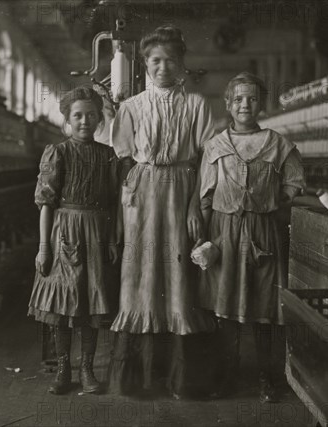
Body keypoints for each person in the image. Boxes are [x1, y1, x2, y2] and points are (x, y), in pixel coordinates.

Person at [108, 25, 216, 398]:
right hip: (141, 192)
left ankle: (183, 380)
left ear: (182, 64)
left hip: (183, 188)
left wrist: (193, 206)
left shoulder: (198, 105)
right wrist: (126, 209)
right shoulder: (131, 107)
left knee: (180, 272)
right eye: (156, 60)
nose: (163, 67)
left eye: (171, 60)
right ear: (145, 64)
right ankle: (137, 378)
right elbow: (123, 161)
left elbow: (204, 160)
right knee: (140, 271)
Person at [197, 72, 305, 401]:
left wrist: (268, 209)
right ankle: (227, 377)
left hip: (263, 233)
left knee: (264, 307)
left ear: (261, 104)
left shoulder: (280, 144)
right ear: (228, 105)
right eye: (239, 99)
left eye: (253, 98)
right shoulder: (214, 145)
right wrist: (202, 239)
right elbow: (204, 196)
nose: (246, 104)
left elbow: (294, 187)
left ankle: (265, 378)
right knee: (225, 306)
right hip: (223, 232)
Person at [28, 86, 120, 395]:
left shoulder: (108, 155)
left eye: (91, 115)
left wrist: (111, 239)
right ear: (67, 118)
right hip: (64, 234)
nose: (84, 121)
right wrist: (43, 249)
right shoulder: (59, 152)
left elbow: (112, 204)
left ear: (99, 120)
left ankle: (87, 368)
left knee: (90, 302)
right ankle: (64, 367)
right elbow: (46, 204)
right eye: (78, 115)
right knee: (62, 303)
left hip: (96, 233)